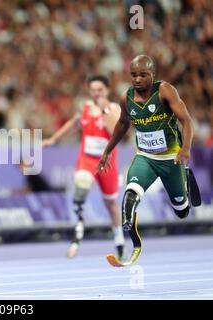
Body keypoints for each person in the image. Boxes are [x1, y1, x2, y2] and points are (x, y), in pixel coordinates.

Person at [98, 55, 194, 264]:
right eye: (133, 75)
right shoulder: (126, 98)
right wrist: (107, 150)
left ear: (153, 75)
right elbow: (123, 124)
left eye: (143, 75)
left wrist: (185, 149)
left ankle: (184, 187)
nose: (137, 79)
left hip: (172, 159)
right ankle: (129, 230)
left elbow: (186, 120)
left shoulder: (165, 91)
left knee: (182, 211)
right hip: (145, 157)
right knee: (130, 193)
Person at [43, 75, 125, 259]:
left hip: (107, 163)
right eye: (93, 90)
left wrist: (104, 109)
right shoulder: (85, 108)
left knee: (111, 203)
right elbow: (73, 124)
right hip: (87, 159)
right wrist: (53, 139)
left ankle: (119, 240)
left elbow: (116, 134)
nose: (96, 94)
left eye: (100, 90)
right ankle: (76, 238)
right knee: (80, 192)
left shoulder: (114, 109)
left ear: (107, 91)